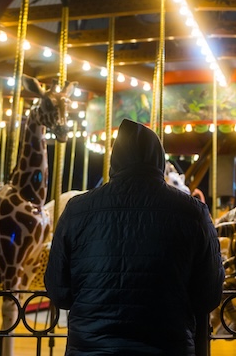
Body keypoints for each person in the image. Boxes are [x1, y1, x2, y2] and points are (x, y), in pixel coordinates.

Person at [45, 118, 224, 356]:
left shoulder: (77, 210)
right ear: (159, 159)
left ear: (115, 160)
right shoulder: (192, 212)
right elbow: (209, 294)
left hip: (90, 348)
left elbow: (58, 291)